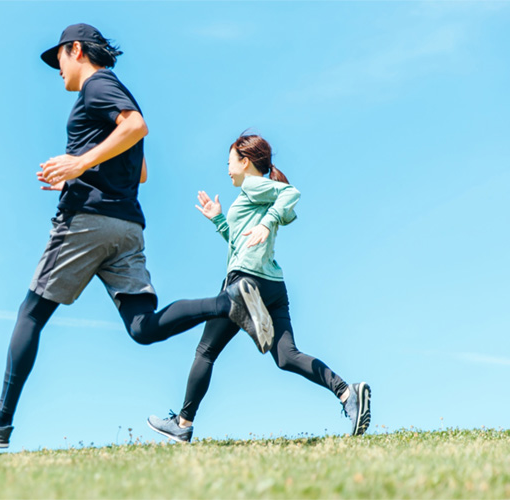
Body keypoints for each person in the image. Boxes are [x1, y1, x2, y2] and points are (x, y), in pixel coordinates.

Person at [0, 24, 274, 449]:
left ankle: (0, 418)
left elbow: (136, 126)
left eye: (60, 60)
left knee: (31, 313)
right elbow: (139, 170)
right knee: (143, 327)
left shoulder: (98, 86)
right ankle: (228, 302)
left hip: (86, 222)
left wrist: (76, 165)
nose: (58, 71)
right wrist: (81, 170)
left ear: (77, 50)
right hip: (126, 227)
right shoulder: (116, 94)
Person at [145, 133, 372, 443]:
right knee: (286, 355)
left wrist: (267, 223)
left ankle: (183, 423)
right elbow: (242, 243)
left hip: (244, 282)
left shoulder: (255, 186)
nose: (227, 169)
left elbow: (291, 193)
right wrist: (219, 221)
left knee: (206, 351)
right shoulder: (254, 196)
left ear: (245, 161)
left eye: (229, 162)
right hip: (272, 285)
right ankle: (347, 393)